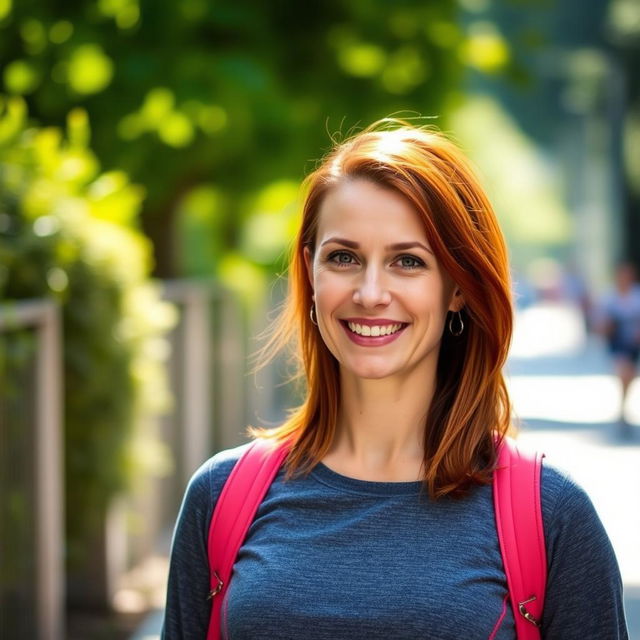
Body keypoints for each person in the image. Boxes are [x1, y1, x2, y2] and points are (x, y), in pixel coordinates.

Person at [161, 120, 628, 639]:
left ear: (457, 288)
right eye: (344, 258)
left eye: (408, 261)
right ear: (311, 271)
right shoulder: (221, 496)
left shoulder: (551, 515)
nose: (370, 292)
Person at [595, 261, 640, 433]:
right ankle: (623, 411)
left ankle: (623, 408)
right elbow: (599, 325)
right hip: (618, 343)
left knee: (628, 377)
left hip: (633, 344)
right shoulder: (609, 298)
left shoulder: (636, 297)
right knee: (624, 373)